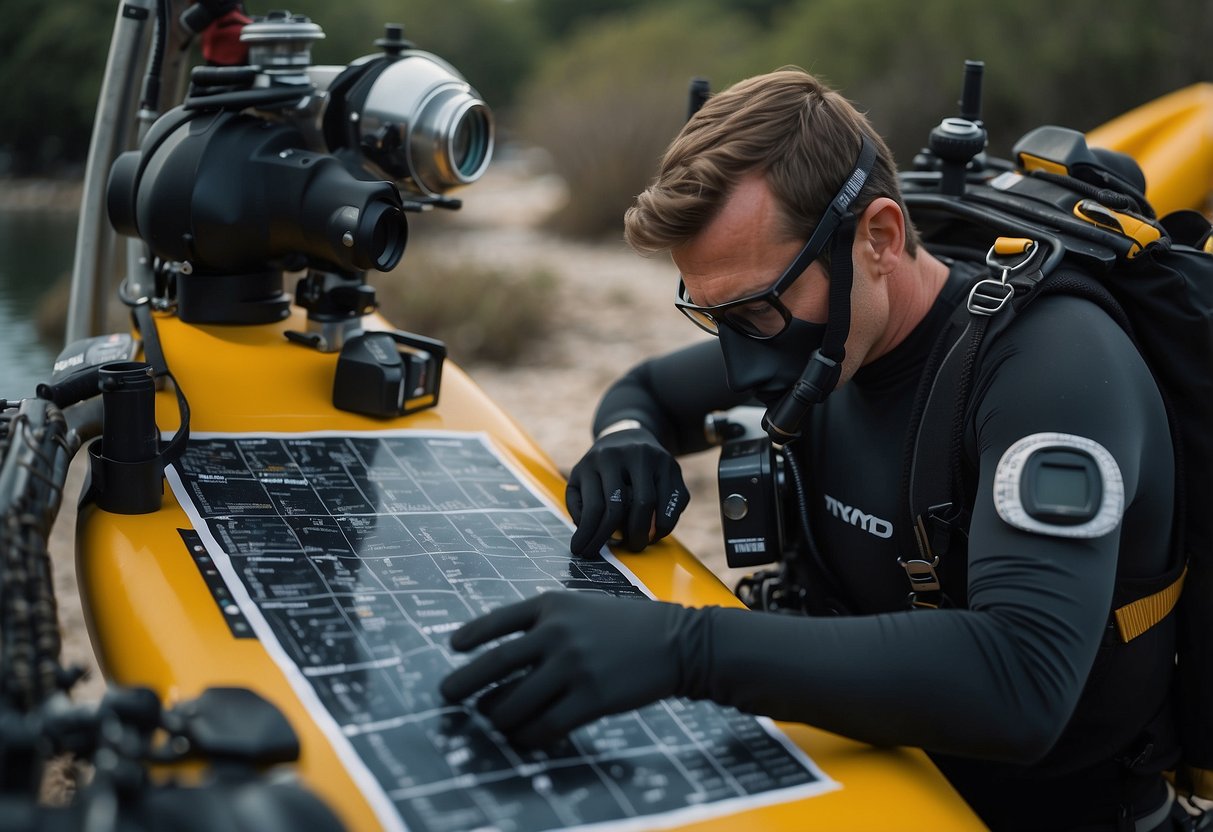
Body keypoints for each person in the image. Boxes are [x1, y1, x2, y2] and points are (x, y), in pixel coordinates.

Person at [440, 68, 1185, 831]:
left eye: (758, 310)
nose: (743, 362)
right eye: (712, 315)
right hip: (864, 774)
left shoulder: (1051, 369)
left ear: (879, 239)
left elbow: (1023, 682)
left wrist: (685, 648)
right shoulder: (824, 332)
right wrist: (627, 440)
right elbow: (648, 392)